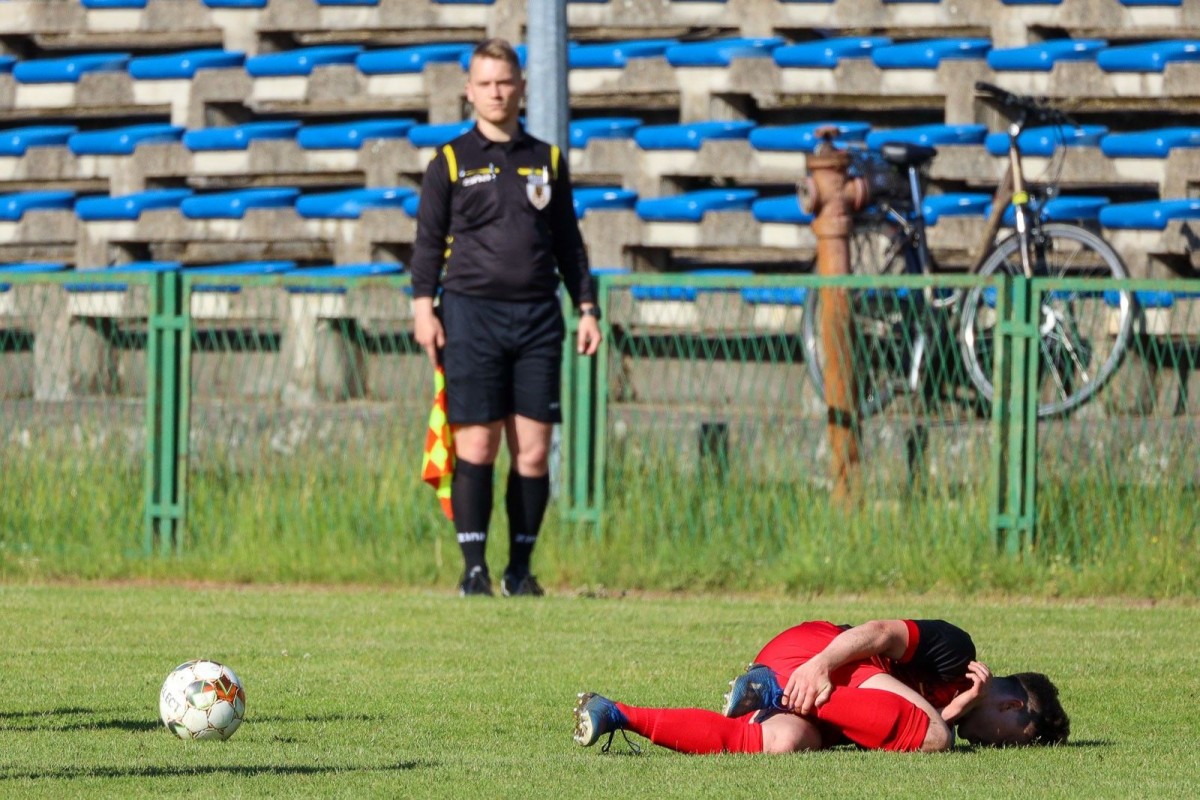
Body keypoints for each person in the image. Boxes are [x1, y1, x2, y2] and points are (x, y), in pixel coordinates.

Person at [410, 38, 602, 598]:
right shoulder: (449, 160)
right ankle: (473, 569)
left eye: (505, 81)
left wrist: (585, 306)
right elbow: (427, 245)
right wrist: (425, 306)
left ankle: (521, 570)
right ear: (469, 90)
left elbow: (569, 242)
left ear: (521, 87)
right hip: (470, 316)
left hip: (539, 317)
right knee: (476, 447)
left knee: (534, 450)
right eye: (486, 82)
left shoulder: (547, 159)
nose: (497, 92)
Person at [573, 618, 1069, 754]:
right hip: (819, 655)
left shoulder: (957, 702)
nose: (1001, 746)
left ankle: (615, 712)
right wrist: (815, 668)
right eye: (1016, 741)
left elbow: (902, 716)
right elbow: (877, 634)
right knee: (935, 737)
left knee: (780, 743)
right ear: (1011, 708)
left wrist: (953, 712)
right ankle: (772, 690)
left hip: (818, 689)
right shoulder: (958, 651)